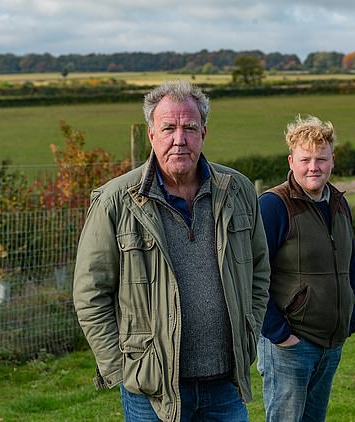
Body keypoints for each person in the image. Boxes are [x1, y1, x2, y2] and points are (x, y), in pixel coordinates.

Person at [73, 80, 270, 422]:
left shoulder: (237, 190)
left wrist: (249, 332)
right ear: (152, 135)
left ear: (203, 134)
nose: (180, 139)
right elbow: (90, 293)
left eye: (190, 128)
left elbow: (261, 270)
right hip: (152, 390)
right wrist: (122, 370)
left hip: (225, 385)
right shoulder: (117, 201)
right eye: (169, 128)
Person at [256, 115, 355, 422]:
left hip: (331, 344)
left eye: (321, 159)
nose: (313, 167)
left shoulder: (339, 203)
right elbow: (251, 277)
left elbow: (349, 265)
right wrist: (278, 333)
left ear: (332, 161)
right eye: (305, 159)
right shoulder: (273, 206)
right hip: (290, 345)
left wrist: (348, 321)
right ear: (291, 160)